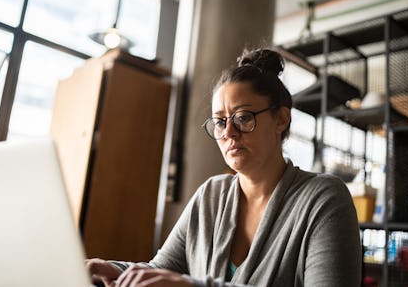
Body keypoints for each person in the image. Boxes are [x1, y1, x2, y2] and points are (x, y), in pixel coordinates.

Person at [87, 47, 362, 287]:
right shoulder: (210, 195)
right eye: (220, 121)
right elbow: (161, 271)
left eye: (243, 117)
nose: (229, 132)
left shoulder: (323, 199)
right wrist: (117, 270)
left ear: (281, 119)